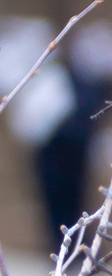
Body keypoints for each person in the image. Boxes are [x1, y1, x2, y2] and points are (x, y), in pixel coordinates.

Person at [34, 26, 112, 256]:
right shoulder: (72, 83)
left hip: (68, 156)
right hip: (57, 154)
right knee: (64, 209)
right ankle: (69, 254)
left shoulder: (89, 87)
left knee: (72, 208)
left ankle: (76, 254)